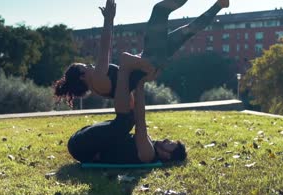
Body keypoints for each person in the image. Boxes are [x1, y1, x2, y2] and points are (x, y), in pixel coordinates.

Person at [53, 0, 230, 107]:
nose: (92, 65)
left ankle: (219, 5)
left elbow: (128, 94)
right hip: (151, 57)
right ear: (82, 76)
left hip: (152, 61)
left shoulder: (100, 90)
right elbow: (105, 46)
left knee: (187, 31)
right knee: (160, 10)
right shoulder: (98, 78)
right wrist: (108, 19)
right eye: (87, 66)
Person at [68, 52, 187, 164]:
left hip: (81, 147)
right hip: (84, 141)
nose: (167, 139)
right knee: (127, 120)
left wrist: (140, 84)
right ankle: (134, 70)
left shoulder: (148, 154)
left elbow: (140, 119)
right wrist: (140, 83)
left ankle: (125, 70)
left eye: (170, 144)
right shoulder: (149, 145)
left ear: (167, 156)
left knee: (126, 122)